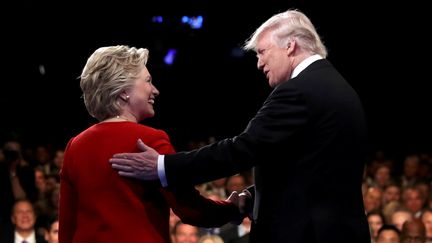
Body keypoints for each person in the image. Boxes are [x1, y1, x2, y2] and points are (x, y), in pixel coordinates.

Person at [109, 9, 370, 243]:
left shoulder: (299, 91)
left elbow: (242, 149)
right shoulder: (339, 88)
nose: (259, 63)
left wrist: (162, 166)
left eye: (262, 52)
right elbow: (314, 173)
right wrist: (255, 198)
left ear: (290, 46)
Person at [59, 45, 246, 243]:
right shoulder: (150, 140)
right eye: (148, 81)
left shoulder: (75, 146)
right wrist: (231, 209)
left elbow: (67, 225)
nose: (155, 90)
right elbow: (190, 210)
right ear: (124, 92)